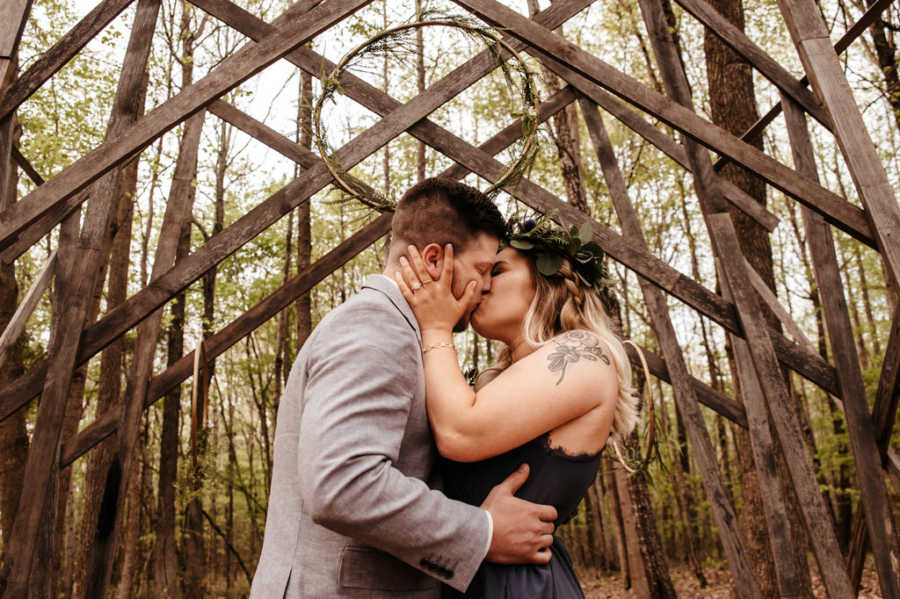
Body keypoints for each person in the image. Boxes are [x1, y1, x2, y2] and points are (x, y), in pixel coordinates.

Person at [250, 179, 559, 599]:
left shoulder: (398, 331)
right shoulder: (377, 326)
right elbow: (343, 484)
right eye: (483, 270)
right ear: (435, 259)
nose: (485, 287)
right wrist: (482, 531)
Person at [393, 215, 641, 598]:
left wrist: (437, 329)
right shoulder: (502, 381)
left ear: (547, 282)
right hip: (458, 578)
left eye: (498, 270)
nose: (481, 285)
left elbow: (460, 432)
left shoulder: (585, 354)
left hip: (519, 586)